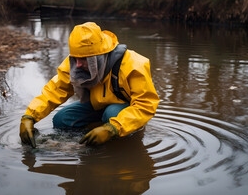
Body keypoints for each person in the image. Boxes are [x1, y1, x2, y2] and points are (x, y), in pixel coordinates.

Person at [20, 22, 159, 147]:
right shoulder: (75, 64)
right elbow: (55, 90)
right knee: (61, 120)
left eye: (84, 59)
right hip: (97, 106)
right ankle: (97, 130)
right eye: (75, 58)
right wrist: (30, 116)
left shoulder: (133, 64)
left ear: (99, 56)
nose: (78, 65)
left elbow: (145, 105)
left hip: (124, 113)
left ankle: (120, 135)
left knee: (111, 113)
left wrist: (112, 129)